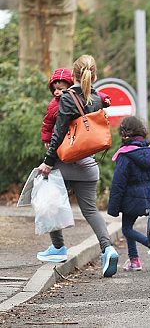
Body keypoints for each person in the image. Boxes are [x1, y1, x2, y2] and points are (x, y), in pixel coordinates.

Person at [37, 55, 119, 278]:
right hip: (89, 165)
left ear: (72, 75)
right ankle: (108, 249)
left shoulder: (66, 98)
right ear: (95, 75)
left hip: (64, 164)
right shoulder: (97, 98)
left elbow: (60, 133)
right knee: (91, 211)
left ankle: (58, 248)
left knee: (49, 203)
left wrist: (47, 162)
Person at [107, 116, 150, 272]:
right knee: (127, 226)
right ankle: (134, 261)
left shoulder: (125, 155)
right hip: (147, 197)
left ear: (124, 132)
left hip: (130, 199)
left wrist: (113, 207)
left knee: (126, 229)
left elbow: (118, 183)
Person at [41, 67, 111, 148]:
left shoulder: (77, 98)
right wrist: (47, 139)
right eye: (54, 89)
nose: (56, 92)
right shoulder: (53, 105)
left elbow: (92, 95)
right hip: (62, 141)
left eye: (60, 89)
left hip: (80, 136)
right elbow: (47, 123)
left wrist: (104, 99)